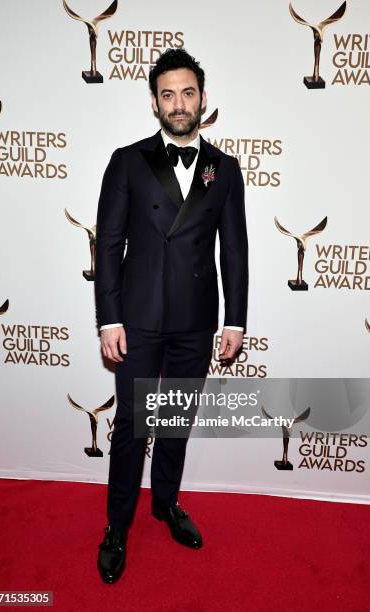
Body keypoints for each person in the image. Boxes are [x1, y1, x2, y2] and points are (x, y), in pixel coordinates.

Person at [94, 48, 248, 584]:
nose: (178, 104)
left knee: (175, 423)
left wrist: (235, 321)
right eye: (167, 94)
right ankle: (117, 525)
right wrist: (107, 318)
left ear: (202, 99)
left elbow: (235, 251)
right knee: (133, 428)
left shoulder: (223, 170)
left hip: (194, 321)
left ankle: (165, 505)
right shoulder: (127, 160)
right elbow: (109, 245)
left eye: (187, 93)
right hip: (136, 320)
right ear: (155, 103)